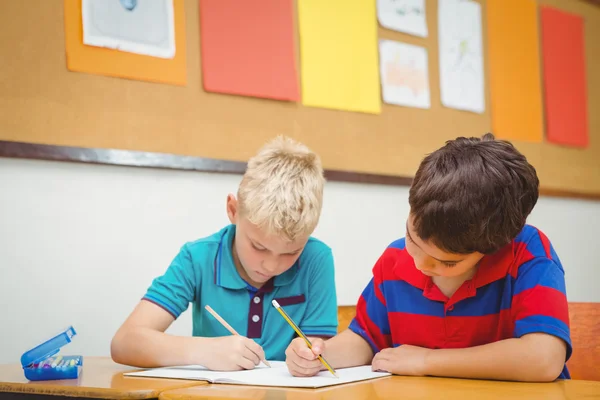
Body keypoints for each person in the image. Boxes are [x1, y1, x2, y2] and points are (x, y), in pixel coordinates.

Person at [285, 133, 571, 382]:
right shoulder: (396, 258)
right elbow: (365, 340)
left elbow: (544, 358)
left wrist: (427, 361)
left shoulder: (527, 253)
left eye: (447, 263)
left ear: (493, 248)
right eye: (412, 239)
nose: (421, 264)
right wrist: (318, 354)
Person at [111, 136, 338, 370]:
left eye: (291, 252)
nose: (271, 266)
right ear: (233, 210)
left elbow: (320, 348)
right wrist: (203, 350)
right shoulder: (197, 258)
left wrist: (309, 356)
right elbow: (125, 342)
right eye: (258, 247)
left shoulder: (315, 259)